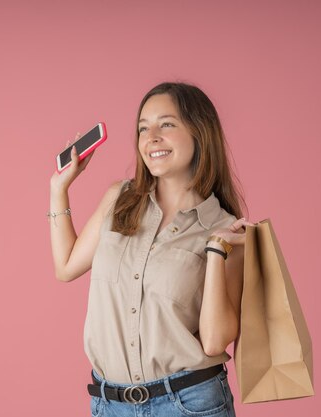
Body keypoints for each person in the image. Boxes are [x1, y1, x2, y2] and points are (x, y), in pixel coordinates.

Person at [49, 82, 253, 417]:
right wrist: (59, 189)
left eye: (167, 124)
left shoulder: (225, 227)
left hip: (189, 404)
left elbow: (215, 343)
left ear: (200, 133)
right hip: (109, 404)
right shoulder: (120, 198)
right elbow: (66, 266)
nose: (151, 137)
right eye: (143, 128)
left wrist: (217, 251)